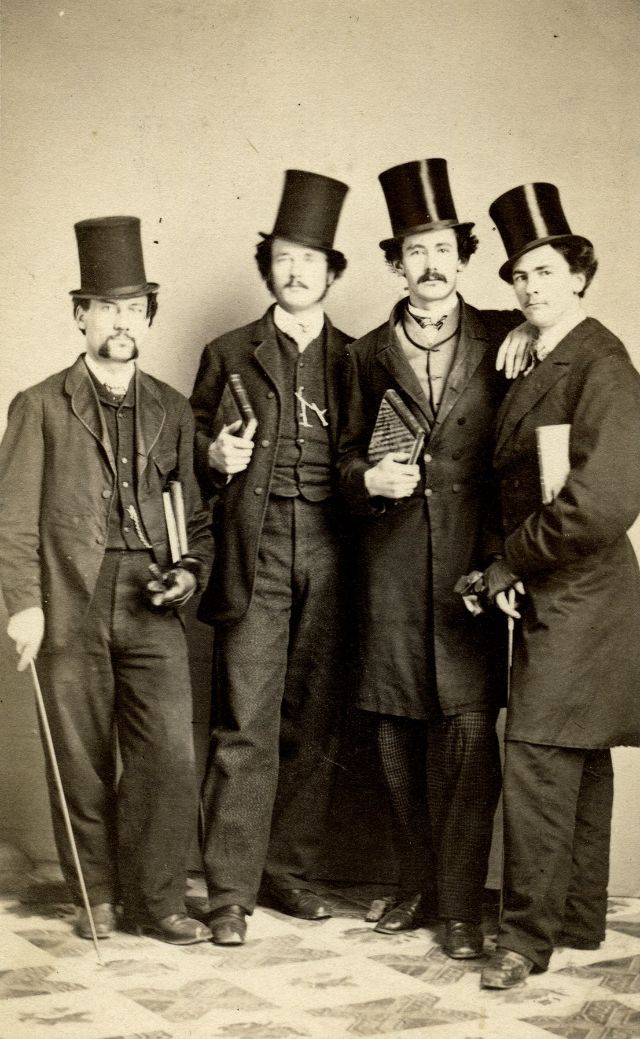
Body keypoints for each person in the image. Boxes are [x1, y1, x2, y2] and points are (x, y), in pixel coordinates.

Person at [0, 216, 213, 945]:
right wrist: (25, 605)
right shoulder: (37, 406)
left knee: (169, 756)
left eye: (134, 310)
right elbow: (13, 521)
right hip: (70, 599)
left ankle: (157, 900)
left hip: (152, 599)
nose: (121, 324)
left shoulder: (173, 409)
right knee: (81, 759)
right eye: (107, 309)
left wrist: (188, 573)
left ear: (148, 318)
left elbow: (198, 522)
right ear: (79, 315)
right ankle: (98, 895)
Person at [337, 158, 525, 959]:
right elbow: (342, 459)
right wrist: (365, 476)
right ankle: (417, 884)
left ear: (465, 255)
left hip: (469, 574)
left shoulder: (504, 341)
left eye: (444, 247)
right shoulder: (365, 354)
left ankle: (458, 903)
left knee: (466, 736)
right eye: (415, 250)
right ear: (394, 263)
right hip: (386, 567)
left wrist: (501, 563)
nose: (431, 264)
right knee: (391, 734)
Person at [478, 183, 640, 988]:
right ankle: (576, 916)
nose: (532, 287)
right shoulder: (548, 351)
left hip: (582, 588)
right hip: (573, 590)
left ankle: (523, 939)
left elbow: (601, 502)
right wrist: (520, 334)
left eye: (544, 271)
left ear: (579, 274)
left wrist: (511, 559)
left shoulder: (600, 361)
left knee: (541, 753)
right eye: (519, 276)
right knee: (577, 754)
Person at [190, 170, 353, 945]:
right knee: (244, 720)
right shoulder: (227, 352)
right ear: (269, 267)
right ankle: (229, 890)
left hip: (335, 550)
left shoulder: (359, 356)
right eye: (283, 257)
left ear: (331, 272)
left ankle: (287, 869)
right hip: (254, 552)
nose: (295, 271)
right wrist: (213, 455)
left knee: (314, 719)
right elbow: (186, 446)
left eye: (310, 259)